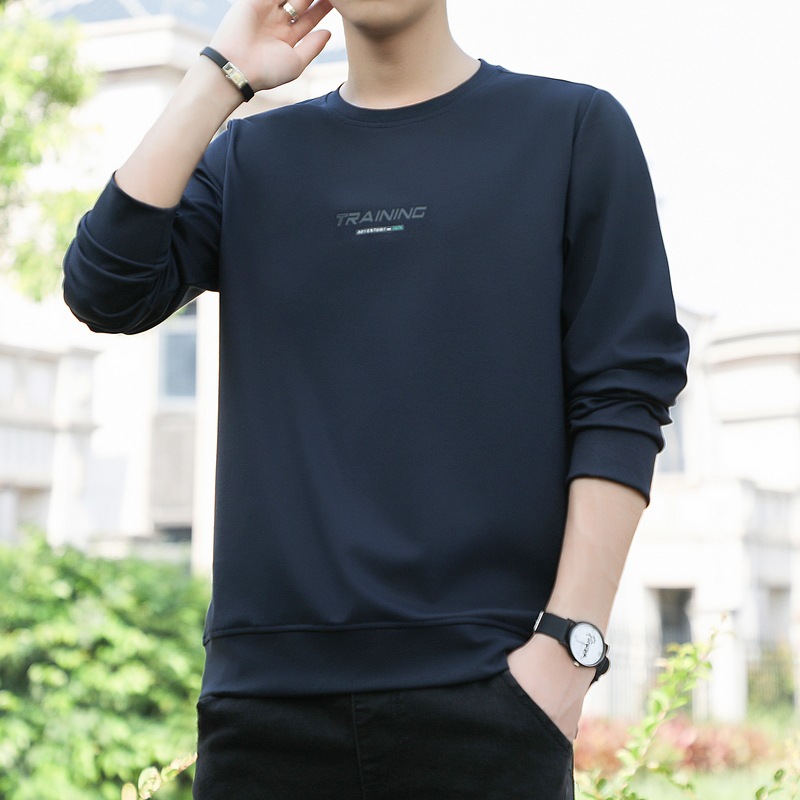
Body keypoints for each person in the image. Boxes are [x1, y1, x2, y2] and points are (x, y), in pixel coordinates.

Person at [63, 0, 689, 796]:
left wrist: (568, 650)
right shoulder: (252, 155)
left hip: (491, 693)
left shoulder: (570, 130)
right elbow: (105, 289)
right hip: (265, 707)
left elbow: (624, 393)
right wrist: (221, 75)